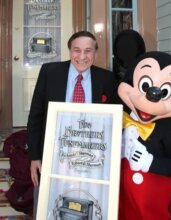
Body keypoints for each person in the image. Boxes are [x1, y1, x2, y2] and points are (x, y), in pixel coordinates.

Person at [27, 30, 119, 219]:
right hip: (54, 154)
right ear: (69, 51)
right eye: (77, 50)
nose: (82, 57)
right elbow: (35, 116)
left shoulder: (107, 79)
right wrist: (35, 157)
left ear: (95, 52)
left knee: (84, 204)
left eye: (88, 51)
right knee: (47, 205)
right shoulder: (49, 72)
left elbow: (117, 119)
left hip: (90, 157)